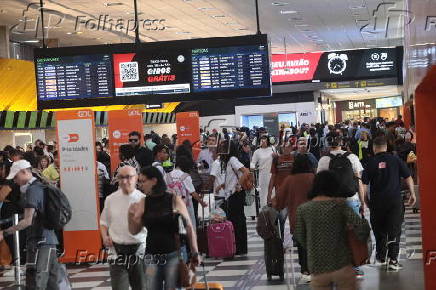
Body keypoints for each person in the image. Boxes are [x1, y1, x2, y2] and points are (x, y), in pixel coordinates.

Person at [295, 170, 370, 290]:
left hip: (318, 268)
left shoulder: (303, 209)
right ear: (334, 186)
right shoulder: (340, 205)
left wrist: (313, 245)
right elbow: (361, 227)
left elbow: (300, 236)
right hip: (342, 264)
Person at [128, 166, 201, 289]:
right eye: (139, 182)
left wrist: (195, 252)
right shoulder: (143, 202)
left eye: (143, 181)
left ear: (154, 181)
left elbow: (189, 227)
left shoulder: (173, 199)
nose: (140, 185)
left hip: (172, 254)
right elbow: (134, 231)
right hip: (150, 257)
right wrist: (133, 217)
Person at [0, 160, 69, 289]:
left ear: (24, 172)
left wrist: (5, 232)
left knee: (37, 282)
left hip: (40, 242)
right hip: (49, 240)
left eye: (16, 176)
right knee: (52, 282)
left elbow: (27, 221)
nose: (15, 181)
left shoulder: (33, 190)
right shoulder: (41, 186)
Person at [362, 136, 416, 271]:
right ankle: (393, 260)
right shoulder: (395, 159)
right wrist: (413, 193)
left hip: (377, 202)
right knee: (394, 230)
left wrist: (365, 201)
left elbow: (363, 184)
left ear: (374, 148)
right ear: (386, 147)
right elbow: (408, 176)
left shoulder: (370, 162)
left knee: (379, 230)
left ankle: (381, 258)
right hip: (394, 201)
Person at [317, 133, 366, 278]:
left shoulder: (324, 160)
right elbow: (359, 181)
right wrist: (363, 203)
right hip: (351, 199)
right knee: (353, 234)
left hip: (331, 202)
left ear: (327, 143)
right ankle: (355, 267)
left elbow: (320, 184)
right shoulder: (352, 157)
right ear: (342, 142)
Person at [100, 166, 147, 290]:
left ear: (136, 178)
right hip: (116, 252)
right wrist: (105, 237)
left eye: (129, 177)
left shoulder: (144, 199)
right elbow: (103, 222)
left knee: (142, 287)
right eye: (121, 177)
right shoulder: (110, 199)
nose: (125, 181)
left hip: (139, 251)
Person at [275, 154, 315, 284]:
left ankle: (305, 272)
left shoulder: (290, 180)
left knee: (302, 246)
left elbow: (279, 201)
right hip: (315, 217)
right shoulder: (314, 178)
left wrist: (277, 205)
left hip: (297, 218)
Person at [218, 140, 250, 255]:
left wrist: (238, 185)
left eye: (223, 147)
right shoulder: (228, 161)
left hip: (235, 194)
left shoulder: (232, 160)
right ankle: (238, 247)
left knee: (237, 220)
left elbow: (246, 172)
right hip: (231, 194)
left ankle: (240, 248)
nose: (221, 149)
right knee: (236, 220)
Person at [167, 155, 208, 230]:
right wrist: (201, 202)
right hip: (186, 208)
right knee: (190, 229)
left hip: (172, 207)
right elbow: (193, 193)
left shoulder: (167, 176)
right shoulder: (186, 176)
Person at [251, 135, 276, 208]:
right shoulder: (257, 152)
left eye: (265, 140)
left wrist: (276, 156)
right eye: (262, 140)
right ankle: (264, 212)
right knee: (263, 193)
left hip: (272, 174)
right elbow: (253, 162)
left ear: (268, 141)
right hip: (263, 174)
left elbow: (277, 159)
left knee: (272, 192)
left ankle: (273, 211)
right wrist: (252, 167)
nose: (263, 141)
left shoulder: (272, 148)